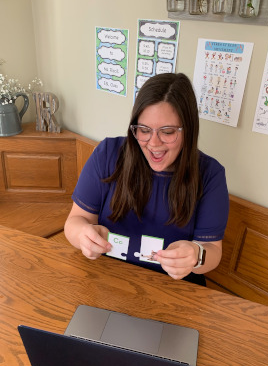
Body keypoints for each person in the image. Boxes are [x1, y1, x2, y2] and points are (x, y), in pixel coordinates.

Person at [64, 73, 229, 286]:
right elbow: (75, 221)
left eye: (167, 132)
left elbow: (213, 251)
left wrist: (196, 255)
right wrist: (83, 236)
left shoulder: (209, 174)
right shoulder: (107, 154)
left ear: (188, 130)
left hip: (173, 288)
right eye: (143, 130)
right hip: (106, 278)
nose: (153, 143)